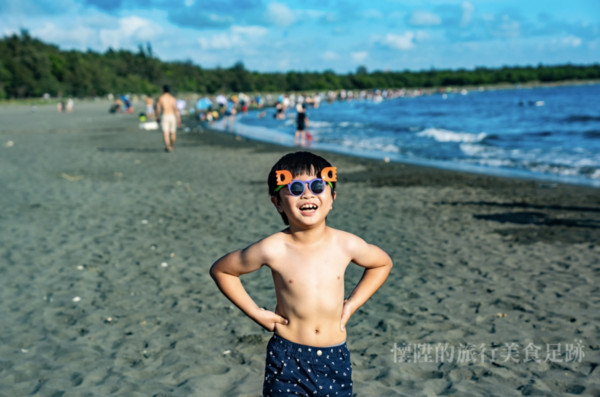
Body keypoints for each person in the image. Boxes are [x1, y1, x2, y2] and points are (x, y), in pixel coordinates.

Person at [210, 151, 393, 396]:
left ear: (332, 198)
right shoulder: (273, 248)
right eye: (295, 189)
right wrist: (256, 313)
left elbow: (382, 264)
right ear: (277, 202)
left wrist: (351, 305)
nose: (307, 194)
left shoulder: (346, 244)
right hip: (287, 357)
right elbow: (223, 270)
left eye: (318, 186)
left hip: (334, 357)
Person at [156, 85, 181, 152]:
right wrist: (178, 118)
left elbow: (158, 108)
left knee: (165, 132)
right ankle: (172, 145)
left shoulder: (161, 98)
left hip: (165, 115)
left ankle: (168, 146)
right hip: (172, 116)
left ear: (163, 90)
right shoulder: (173, 98)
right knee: (173, 132)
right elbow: (176, 109)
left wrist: (157, 116)